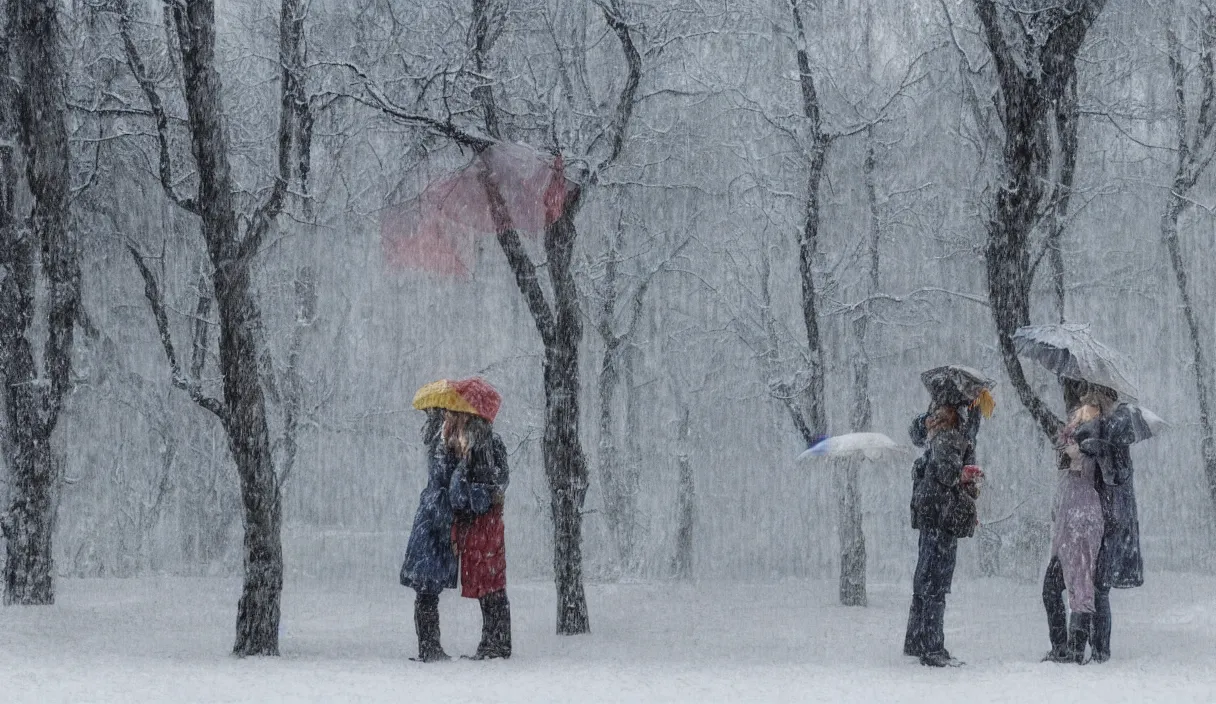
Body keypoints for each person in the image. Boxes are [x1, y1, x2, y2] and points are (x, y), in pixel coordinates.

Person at [1044, 385, 1142, 663]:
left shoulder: (1109, 436)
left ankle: (1090, 650)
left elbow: (1112, 477)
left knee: (1093, 589)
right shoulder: (1080, 433)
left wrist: (1090, 447)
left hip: (1092, 521)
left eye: (1088, 404)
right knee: (1068, 588)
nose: (1080, 409)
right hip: (1073, 520)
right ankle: (1069, 648)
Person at [903, 403, 981, 667]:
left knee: (924, 578)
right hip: (942, 515)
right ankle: (932, 648)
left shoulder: (935, 437)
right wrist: (964, 475)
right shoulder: (949, 438)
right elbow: (948, 474)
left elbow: (917, 434)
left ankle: (915, 641)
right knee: (936, 581)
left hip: (930, 514)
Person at [445, 409, 513, 660]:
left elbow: (498, 479)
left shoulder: (486, 446)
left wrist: (478, 490)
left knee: (491, 585)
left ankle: (495, 643)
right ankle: (493, 642)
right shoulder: (477, 446)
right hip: (483, 523)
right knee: (489, 585)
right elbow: (498, 479)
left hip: (483, 522)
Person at [1042, 403, 1105, 664]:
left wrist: (1078, 449)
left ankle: (1075, 649)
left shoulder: (1095, 445)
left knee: (1080, 587)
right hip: (1067, 524)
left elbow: (1091, 463)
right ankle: (1061, 647)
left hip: (1082, 522)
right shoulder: (1075, 443)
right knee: (1051, 588)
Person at [399, 409, 459, 662]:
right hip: (433, 533)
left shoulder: (438, 443)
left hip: (429, 530)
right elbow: (443, 485)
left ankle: (429, 646)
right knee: (427, 593)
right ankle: (430, 647)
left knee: (426, 593)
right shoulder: (441, 446)